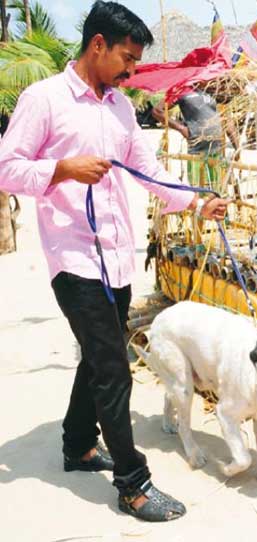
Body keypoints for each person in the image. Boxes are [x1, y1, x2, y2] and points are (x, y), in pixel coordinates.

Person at [0, 1, 229, 521]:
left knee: (97, 356)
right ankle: (133, 485)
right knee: (113, 369)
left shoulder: (120, 108)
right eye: (126, 58)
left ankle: (78, 445)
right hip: (74, 258)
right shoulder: (45, 100)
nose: (131, 71)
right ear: (97, 45)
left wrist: (196, 200)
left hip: (118, 257)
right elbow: (6, 168)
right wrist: (62, 169)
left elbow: (148, 173)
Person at [153, 85, 223, 188]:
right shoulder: (182, 89)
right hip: (197, 150)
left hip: (217, 149)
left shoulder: (209, 89)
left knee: (217, 189)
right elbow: (157, 111)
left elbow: (222, 117)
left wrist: (236, 144)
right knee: (198, 189)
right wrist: (181, 128)